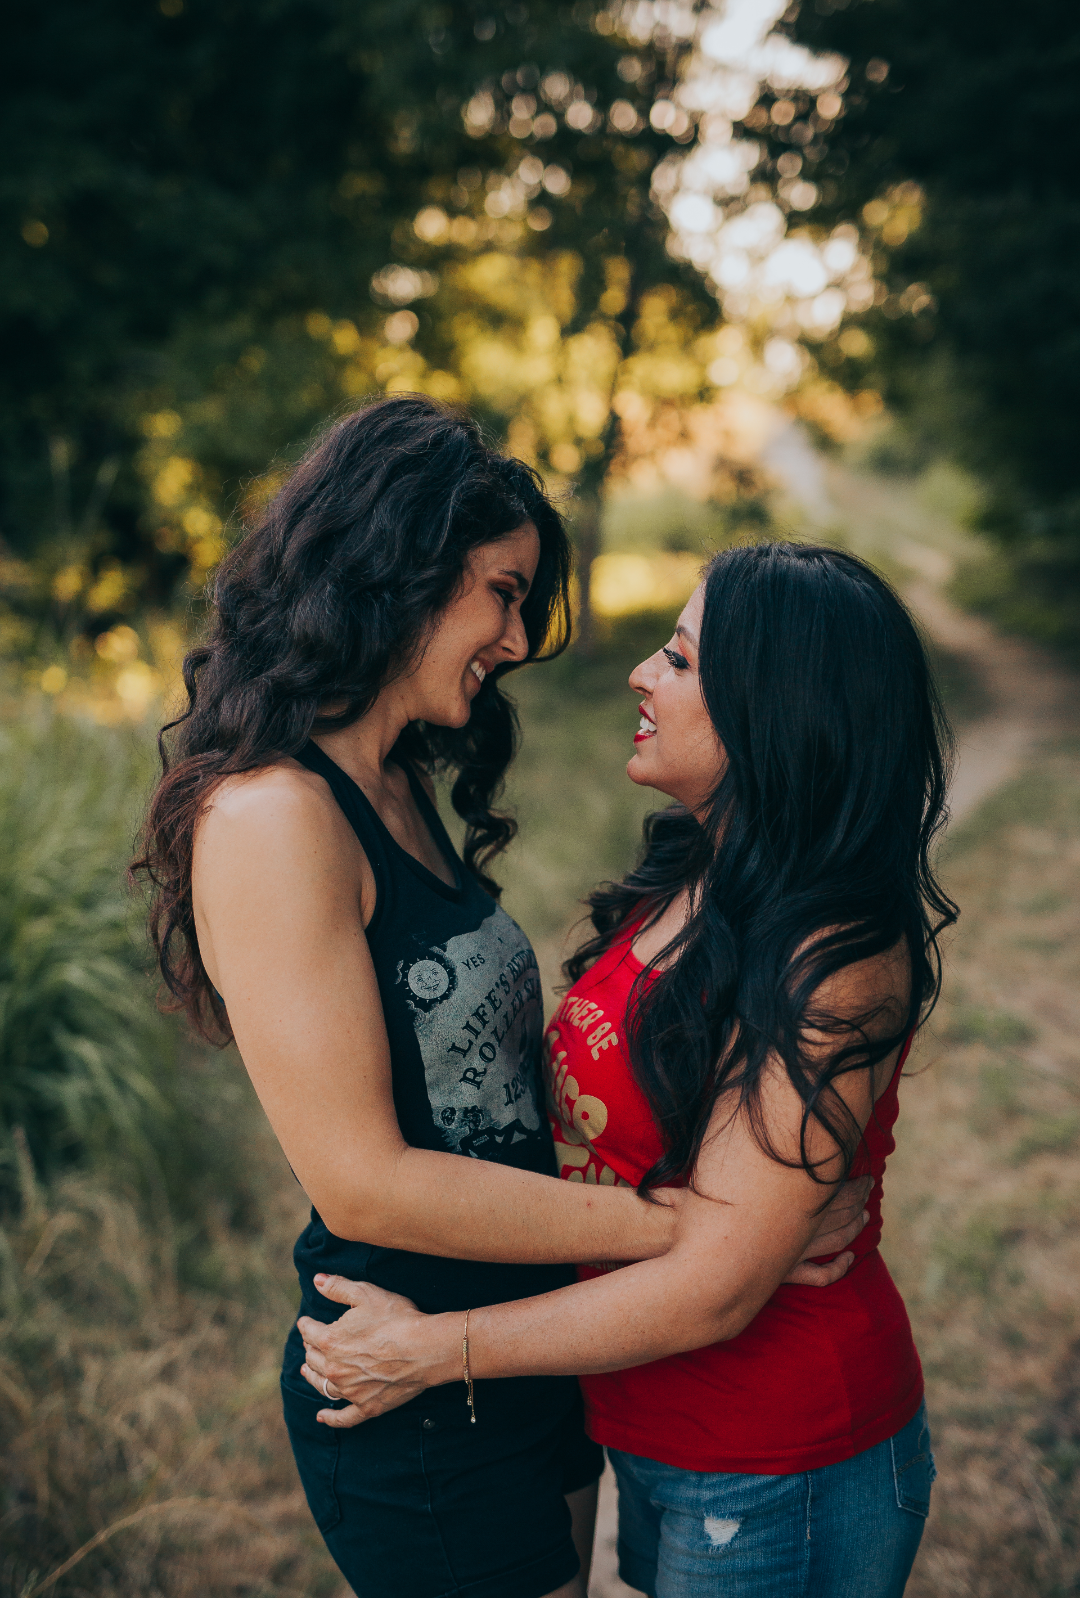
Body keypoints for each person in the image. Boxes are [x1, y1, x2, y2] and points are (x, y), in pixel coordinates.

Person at [134, 399, 866, 1598]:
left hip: (532, 1348)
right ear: (398, 573)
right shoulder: (273, 816)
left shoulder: (395, 782)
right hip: (407, 1373)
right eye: (503, 592)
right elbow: (363, 1178)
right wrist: (706, 1234)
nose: (517, 639)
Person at [296, 540, 957, 1598]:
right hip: (653, 1430)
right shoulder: (698, 869)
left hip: (775, 1457)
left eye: (682, 660)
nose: (644, 675)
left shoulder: (836, 955)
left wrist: (431, 1350)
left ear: (771, 707)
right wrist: (713, 1225)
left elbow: (717, 1291)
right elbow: (687, 1218)